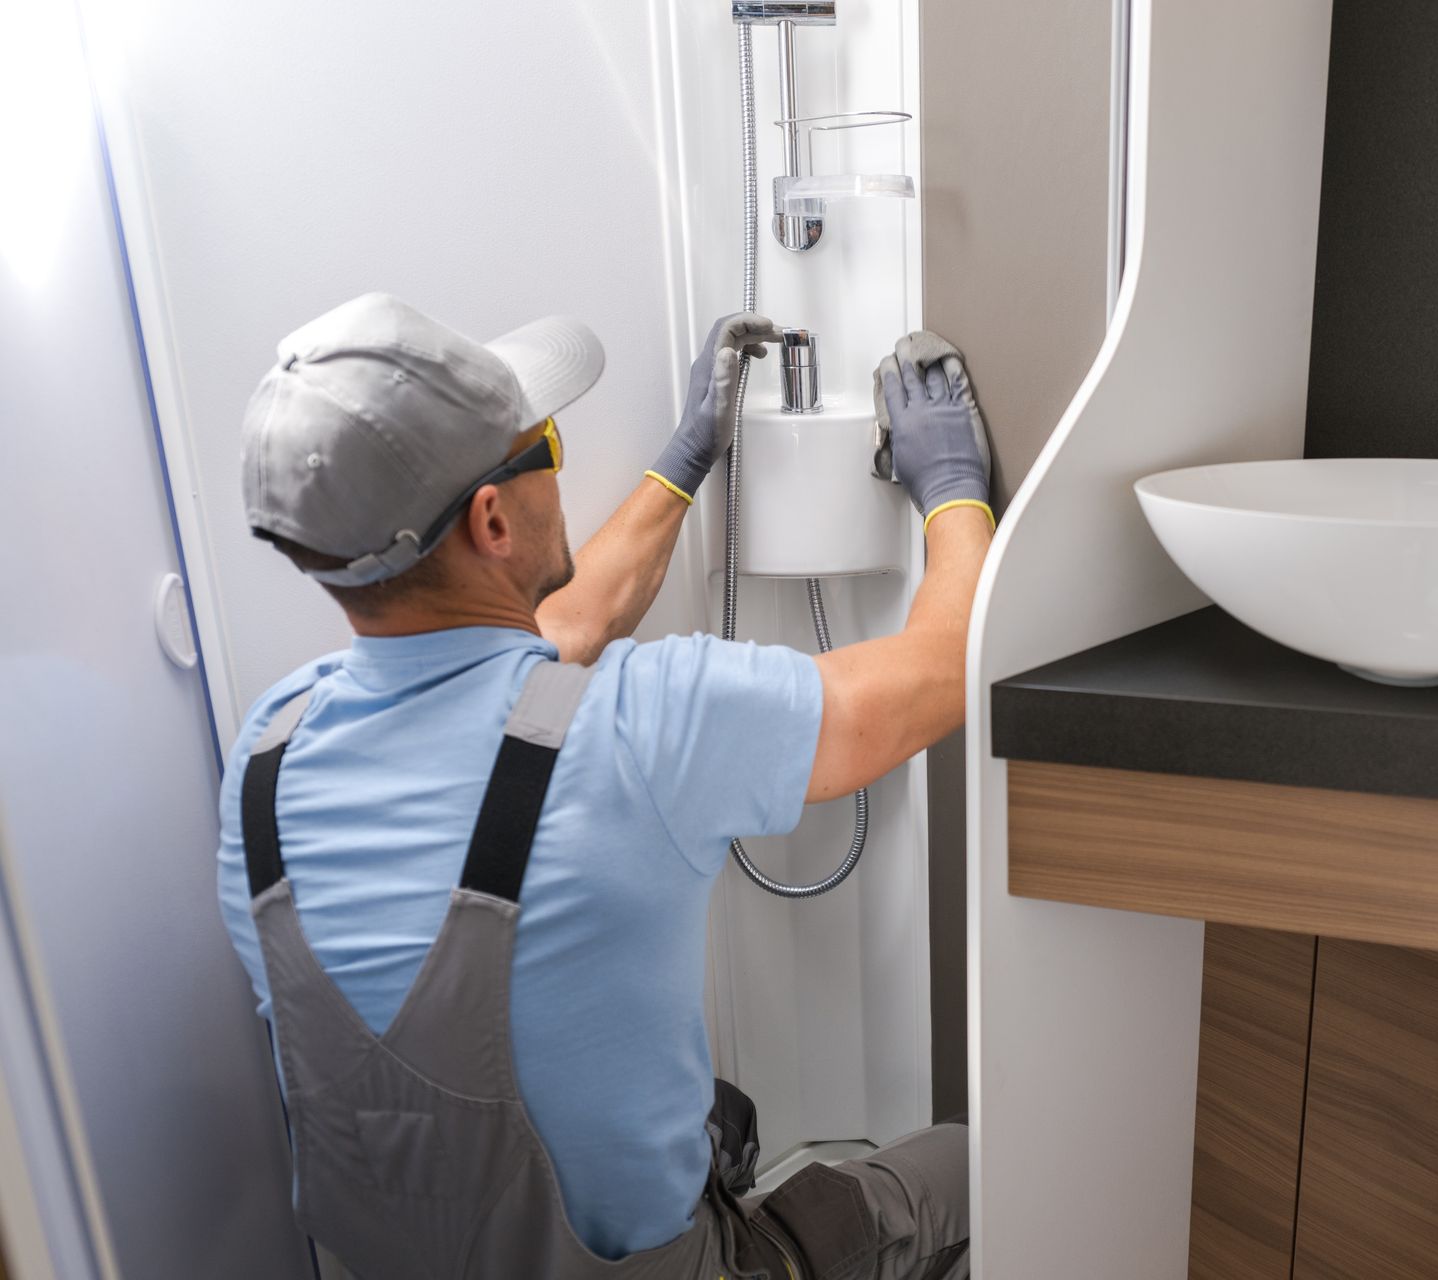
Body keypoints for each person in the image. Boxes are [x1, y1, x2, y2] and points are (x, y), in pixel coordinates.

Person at [214, 292, 992, 1279]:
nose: (558, 454)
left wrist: (685, 460)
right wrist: (955, 493)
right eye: (545, 440)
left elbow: (540, 644)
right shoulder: (641, 727)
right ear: (493, 517)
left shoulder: (268, 756)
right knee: (979, 1162)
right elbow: (941, 668)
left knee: (718, 1110)